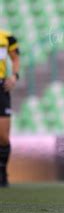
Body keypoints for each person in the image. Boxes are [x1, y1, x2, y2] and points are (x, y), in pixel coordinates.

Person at [0, 29, 20, 187]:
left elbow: (15, 58)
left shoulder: (7, 36)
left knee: (3, 136)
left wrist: (14, 76)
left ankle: (2, 172)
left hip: (1, 88)